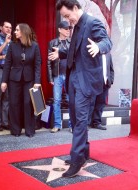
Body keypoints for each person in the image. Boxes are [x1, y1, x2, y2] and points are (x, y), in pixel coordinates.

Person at [48, 0, 112, 178]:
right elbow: (74, 52)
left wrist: (98, 47)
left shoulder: (93, 22)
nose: (67, 20)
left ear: (75, 8)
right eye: (64, 18)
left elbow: (107, 42)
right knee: (76, 120)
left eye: (68, 15)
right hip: (73, 79)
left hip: (85, 81)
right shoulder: (75, 26)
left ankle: (76, 160)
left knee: (81, 120)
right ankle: (83, 152)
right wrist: (60, 53)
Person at [1, 23, 42, 137]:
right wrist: (4, 81)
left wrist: (37, 82)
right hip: (14, 79)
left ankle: (29, 130)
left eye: (17, 30)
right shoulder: (12, 46)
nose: (15, 32)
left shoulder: (34, 46)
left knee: (28, 103)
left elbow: (38, 65)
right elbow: (7, 64)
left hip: (29, 79)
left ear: (23, 31)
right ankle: (15, 130)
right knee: (14, 103)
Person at [47, 21, 72, 133]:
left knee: (71, 100)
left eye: (69, 28)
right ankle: (57, 124)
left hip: (69, 75)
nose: (68, 30)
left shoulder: (72, 42)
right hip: (57, 76)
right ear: (60, 29)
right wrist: (50, 78)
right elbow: (48, 62)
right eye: (66, 28)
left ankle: (72, 125)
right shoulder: (53, 43)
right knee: (56, 101)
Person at [88, 52, 114, 130]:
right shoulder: (94, 53)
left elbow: (111, 69)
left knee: (100, 103)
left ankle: (96, 123)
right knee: (91, 103)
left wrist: (111, 80)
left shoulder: (108, 54)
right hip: (94, 83)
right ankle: (86, 123)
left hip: (105, 83)